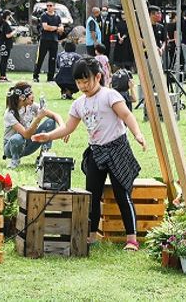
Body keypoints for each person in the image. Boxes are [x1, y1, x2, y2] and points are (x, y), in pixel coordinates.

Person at [31, 57, 148, 251]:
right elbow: (68, 127)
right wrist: (48, 136)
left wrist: (138, 134)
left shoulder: (110, 96)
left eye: (87, 81)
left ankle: (131, 238)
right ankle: (92, 234)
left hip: (118, 148)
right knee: (91, 195)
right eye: (79, 82)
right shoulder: (78, 104)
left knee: (122, 193)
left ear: (98, 77)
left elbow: (127, 115)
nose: (83, 86)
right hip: (96, 151)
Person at [2, 82, 64, 168]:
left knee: (50, 122)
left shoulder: (30, 106)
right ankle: (15, 160)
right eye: (30, 94)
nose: (33, 96)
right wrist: (38, 118)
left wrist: (63, 128)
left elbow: (55, 115)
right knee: (17, 138)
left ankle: (43, 156)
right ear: (21, 97)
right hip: (11, 148)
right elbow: (26, 135)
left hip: (27, 145)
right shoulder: (9, 114)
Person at [33, 1, 64, 83]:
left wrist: (56, 28)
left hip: (54, 40)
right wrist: (56, 28)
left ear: (54, 6)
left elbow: (61, 28)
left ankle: (50, 77)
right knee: (40, 58)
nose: (49, 7)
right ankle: (35, 76)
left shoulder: (57, 16)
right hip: (44, 39)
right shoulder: (44, 15)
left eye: (50, 5)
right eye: (47, 6)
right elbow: (46, 27)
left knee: (52, 59)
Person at [0, 10, 14, 83]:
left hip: (2, 43)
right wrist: (15, 31)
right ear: (7, 16)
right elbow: (8, 35)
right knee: (4, 60)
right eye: (10, 15)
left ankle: (2, 76)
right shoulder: (6, 24)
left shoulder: (1, 23)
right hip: (6, 44)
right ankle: (3, 76)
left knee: (3, 60)